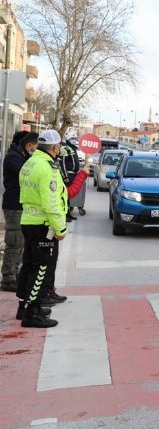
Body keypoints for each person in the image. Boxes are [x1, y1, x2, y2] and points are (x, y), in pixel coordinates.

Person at [16, 130, 68, 328]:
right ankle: (32, 313)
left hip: (28, 220)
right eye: (59, 146)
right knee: (41, 269)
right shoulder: (48, 169)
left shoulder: (29, 163)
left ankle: (24, 306)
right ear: (55, 147)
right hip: (43, 225)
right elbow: (51, 203)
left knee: (28, 265)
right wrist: (60, 228)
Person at [1, 131, 39, 292]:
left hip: (21, 205)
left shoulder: (22, 156)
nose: (35, 150)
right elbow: (27, 174)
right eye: (35, 147)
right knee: (14, 242)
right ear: (27, 145)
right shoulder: (13, 158)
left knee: (20, 243)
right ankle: (8, 279)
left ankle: (14, 275)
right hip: (14, 205)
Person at [61, 130, 83, 220]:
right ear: (68, 139)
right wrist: (65, 176)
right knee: (65, 196)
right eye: (72, 138)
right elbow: (62, 163)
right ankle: (64, 215)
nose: (74, 139)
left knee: (68, 196)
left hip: (73, 174)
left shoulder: (73, 148)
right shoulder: (65, 148)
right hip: (68, 175)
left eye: (75, 138)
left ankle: (68, 213)